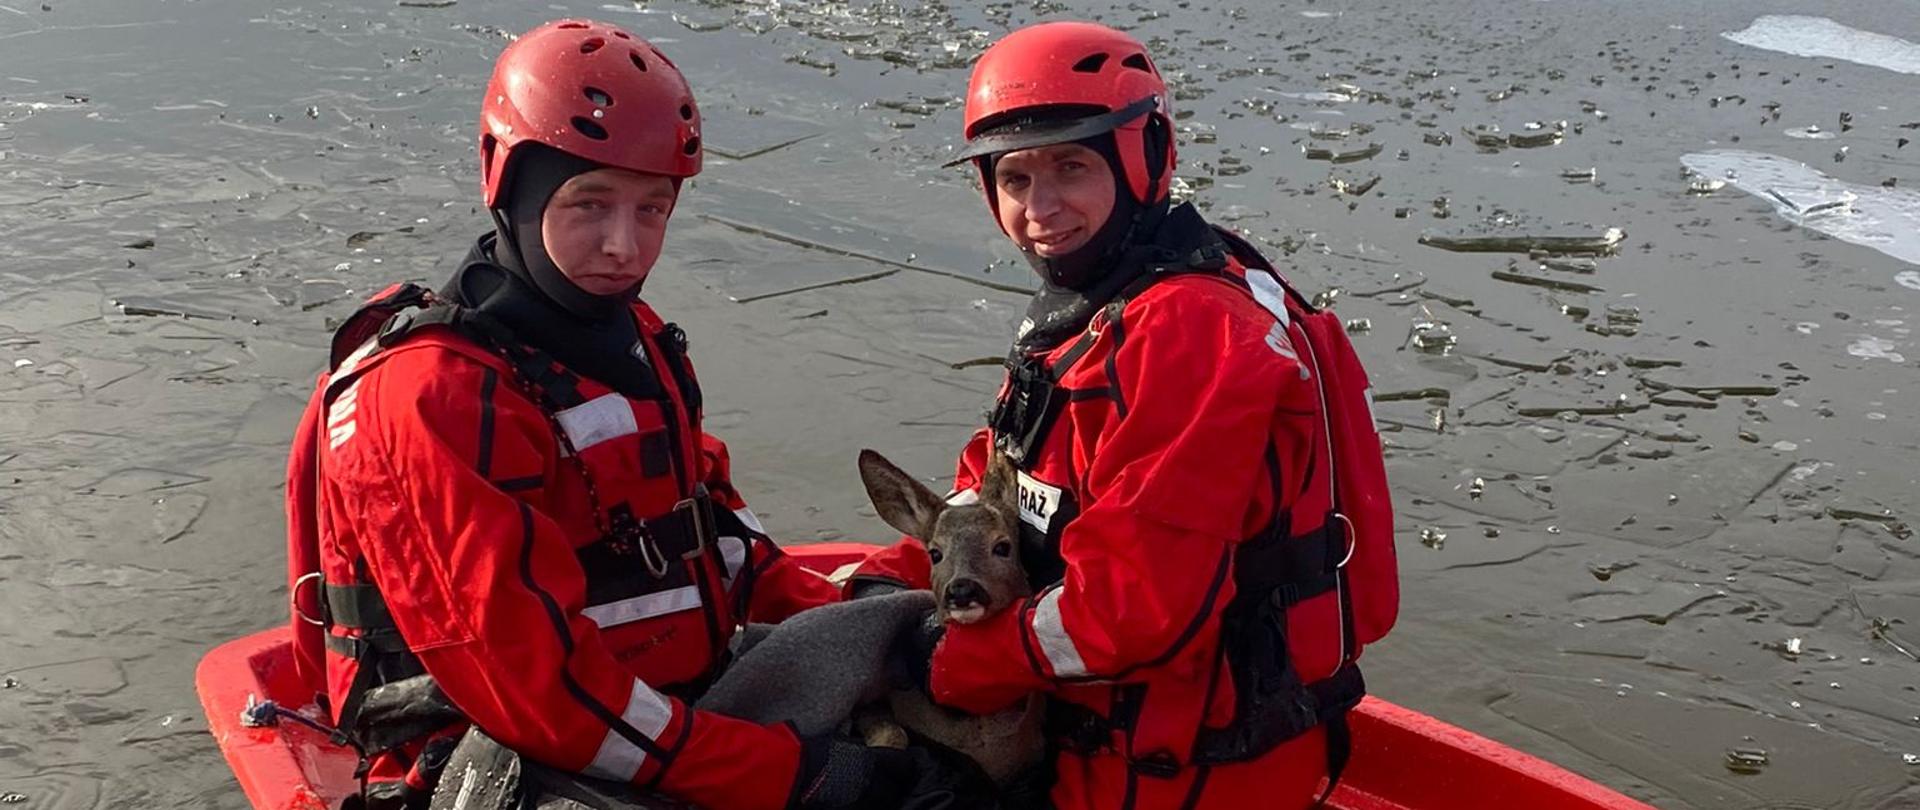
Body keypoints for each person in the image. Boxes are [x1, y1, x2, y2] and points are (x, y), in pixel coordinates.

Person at [282, 18, 955, 810]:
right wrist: (790, 773)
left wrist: (865, 615)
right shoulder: (432, 396)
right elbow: (543, 698)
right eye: (589, 205)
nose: (623, 246)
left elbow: (711, 539)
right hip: (487, 754)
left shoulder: (636, 342)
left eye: (652, 209)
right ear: (508, 183)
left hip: (655, 706)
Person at [848, 20, 1402, 810]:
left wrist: (948, 665)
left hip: (1174, 774)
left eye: (1070, 167)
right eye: (1014, 179)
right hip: (1113, 742)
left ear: (1144, 155)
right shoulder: (1101, 304)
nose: (1041, 209)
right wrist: (897, 576)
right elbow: (1006, 485)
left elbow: (1132, 611)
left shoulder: (1191, 333)